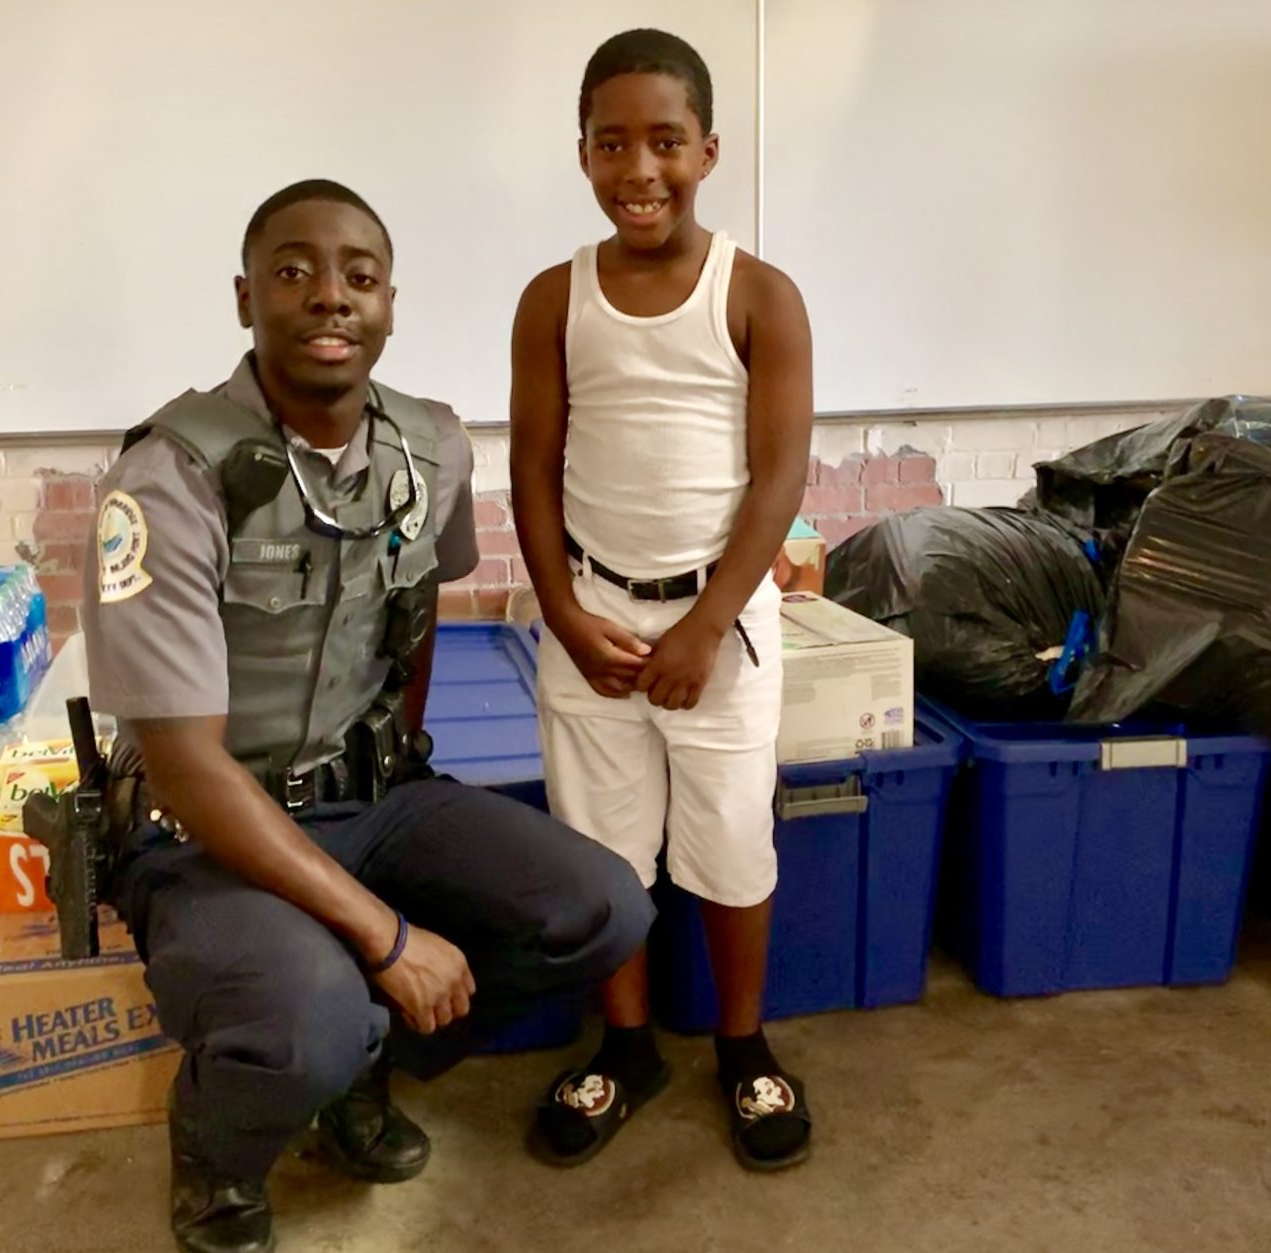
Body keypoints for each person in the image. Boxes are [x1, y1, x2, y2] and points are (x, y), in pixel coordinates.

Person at [83, 179, 653, 1253]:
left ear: (391, 303)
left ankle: (362, 1067)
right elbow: (187, 766)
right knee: (310, 1017)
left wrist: (399, 767)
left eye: (360, 276)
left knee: (601, 907)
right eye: (294, 272)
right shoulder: (168, 478)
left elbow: (417, 614)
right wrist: (386, 933)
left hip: (372, 797)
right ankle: (219, 1145)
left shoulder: (432, 448)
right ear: (245, 298)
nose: (330, 296)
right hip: (205, 830)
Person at [509, 30, 815, 1171]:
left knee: (733, 839)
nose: (640, 169)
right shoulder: (554, 298)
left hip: (719, 627)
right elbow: (532, 466)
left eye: (666, 142)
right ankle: (626, 1045)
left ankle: (743, 1044)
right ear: (584, 152)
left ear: (709, 151)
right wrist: (561, 611)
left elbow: (779, 477)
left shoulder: (761, 295)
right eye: (613, 143)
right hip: (591, 618)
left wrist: (705, 624)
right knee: (602, 852)